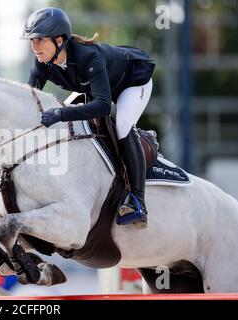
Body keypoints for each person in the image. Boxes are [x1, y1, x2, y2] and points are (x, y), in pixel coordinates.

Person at [22, 7, 155, 228]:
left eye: (39, 40)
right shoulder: (42, 63)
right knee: (67, 114)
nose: (34, 47)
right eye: (31, 40)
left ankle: (137, 202)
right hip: (97, 86)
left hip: (132, 81)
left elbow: (103, 106)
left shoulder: (89, 56)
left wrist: (60, 114)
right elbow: (28, 99)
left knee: (122, 125)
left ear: (59, 40)